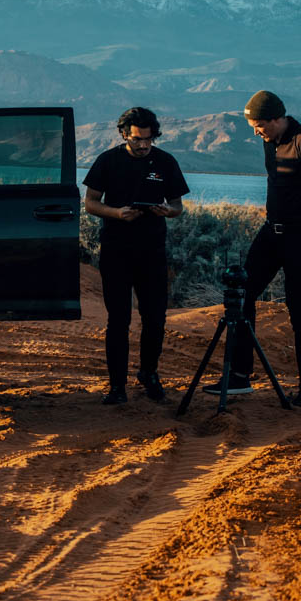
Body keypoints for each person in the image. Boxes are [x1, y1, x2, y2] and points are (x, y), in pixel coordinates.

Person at [214, 90, 301, 408]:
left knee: (298, 308)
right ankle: (239, 376)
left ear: (278, 119)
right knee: (243, 292)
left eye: (260, 125)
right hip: (271, 232)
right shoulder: (270, 141)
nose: (256, 132)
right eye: (253, 125)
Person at [82, 107, 190, 405]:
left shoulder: (165, 162)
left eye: (148, 139)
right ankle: (117, 386)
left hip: (152, 251)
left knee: (155, 318)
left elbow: (178, 206)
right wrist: (116, 213)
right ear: (124, 135)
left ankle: (149, 373)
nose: (143, 145)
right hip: (116, 251)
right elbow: (90, 203)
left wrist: (169, 211)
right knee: (119, 319)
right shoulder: (108, 160)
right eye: (137, 140)